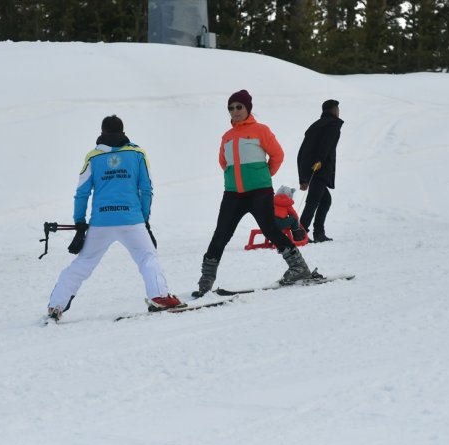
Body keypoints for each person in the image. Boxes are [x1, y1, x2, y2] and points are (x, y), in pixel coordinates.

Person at [46, 115, 183, 321]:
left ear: (102, 133)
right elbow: (146, 189)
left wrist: (80, 223)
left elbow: (82, 193)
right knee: (147, 257)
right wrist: (144, 219)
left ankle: (56, 305)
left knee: (84, 262)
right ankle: (160, 297)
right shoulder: (137, 153)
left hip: (101, 222)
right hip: (131, 219)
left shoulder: (93, 157)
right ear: (123, 131)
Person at [193, 90, 313, 297]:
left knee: (270, 229)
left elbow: (277, 154)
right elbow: (224, 162)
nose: (235, 111)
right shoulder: (227, 137)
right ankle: (206, 280)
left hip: (259, 192)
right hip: (233, 194)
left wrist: (264, 175)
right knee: (221, 234)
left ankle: (299, 267)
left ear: (248, 108)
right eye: (231, 108)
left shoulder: (261, 130)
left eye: (239, 107)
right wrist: (235, 178)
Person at [297, 99, 344, 242]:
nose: (339, 111)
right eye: (337, 109)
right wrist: (320, 161)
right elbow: (326, 145)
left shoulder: (315, 126)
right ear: (333, 110)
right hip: (320, 168)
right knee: (313, 201)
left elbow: (303, 152)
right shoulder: (333, 124)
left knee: (325, 200)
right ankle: (301, 233)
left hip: (312, 168)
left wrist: (303, 177)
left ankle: (318, 232)